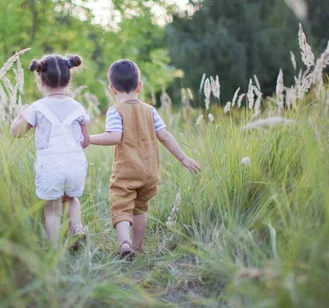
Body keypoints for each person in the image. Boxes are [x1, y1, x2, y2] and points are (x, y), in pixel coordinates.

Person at [90, 59, 201, 259]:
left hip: (126, 172)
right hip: (150, 173)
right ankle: (138, 247)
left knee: (122, 206)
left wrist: (88, 139)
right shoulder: (150, 110)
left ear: (112, 89)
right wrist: (183, 158)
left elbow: (114, 136)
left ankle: (125, 243)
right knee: (140, 210)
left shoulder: (115, 111)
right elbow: (165, 136)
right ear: (139, 86)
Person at [11, 54, 90, 249]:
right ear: (68, 78)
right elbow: (86, 141)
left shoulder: (37, 108)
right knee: (71, 198)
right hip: (75, 163)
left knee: (52, 210)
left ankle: (54, 248)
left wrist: (21, 113)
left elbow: (16, 133)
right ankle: (77, 227)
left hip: (50, 166)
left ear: (40, 80)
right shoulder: (77, 107)